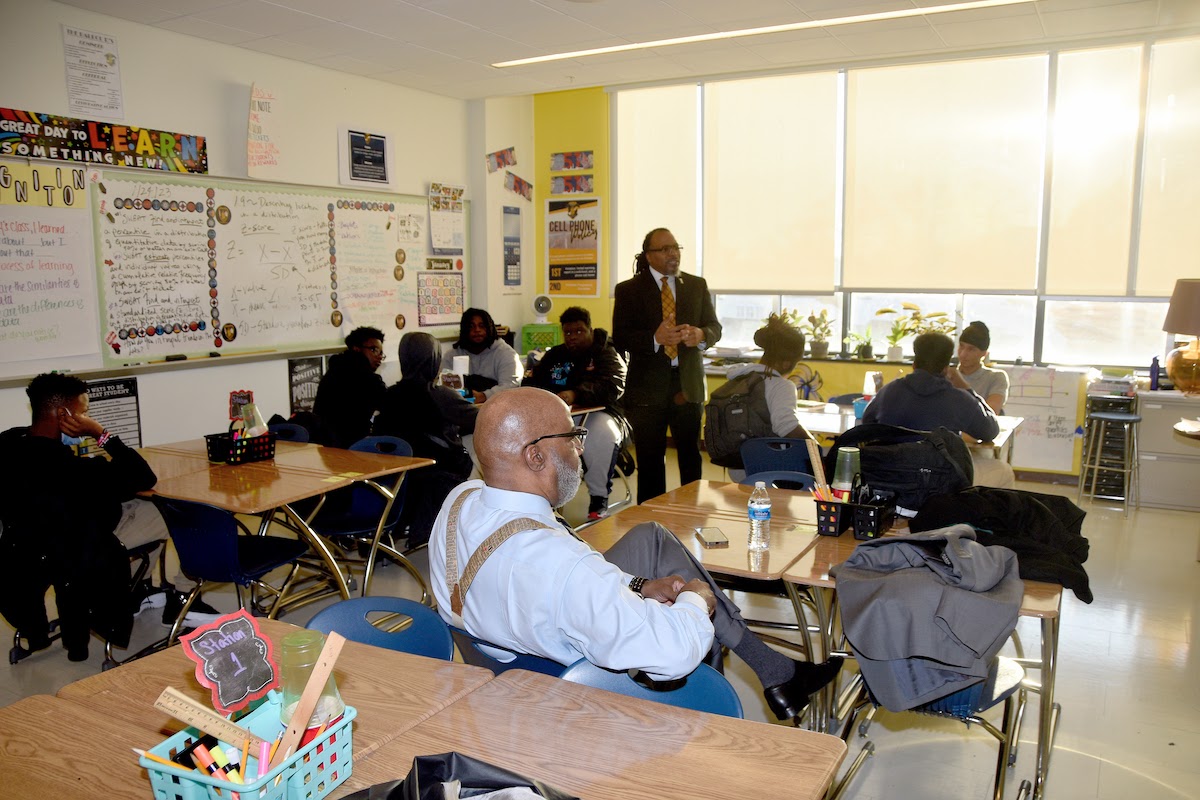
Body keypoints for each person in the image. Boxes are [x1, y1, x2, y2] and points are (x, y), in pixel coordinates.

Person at [429, 387, 842, 720]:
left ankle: (771, 669)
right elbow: (673, 653)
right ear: (535, 455)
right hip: (567, 692)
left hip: (503, 645)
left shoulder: (460, 499)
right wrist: (696, 601)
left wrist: (639, 585)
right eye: (573, 438)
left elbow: (571, 576)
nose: (580, 450)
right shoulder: (563, 567)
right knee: (692, 618)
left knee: (650, 536)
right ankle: (726, 700)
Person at [0, 374, 216, 662]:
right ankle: (182, 596)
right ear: (65, 415)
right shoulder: (73, 470)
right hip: (79, 549)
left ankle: (139, 591)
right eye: (83, 412)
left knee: (142, 507)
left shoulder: (9, 444)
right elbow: (143, 476)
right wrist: (100, 434)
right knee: (177, 513)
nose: (86, 416)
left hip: (28, 547)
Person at [613, 228, 721, 504]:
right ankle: (651, 521)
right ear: (649, 255)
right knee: (650, 460)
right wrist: (654, 338)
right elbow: (621, 337)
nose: (673, 253)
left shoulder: (696, 285)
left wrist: (701, 335)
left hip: (687, 385)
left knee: (690, 456)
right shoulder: (629, 290)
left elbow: (714, 327)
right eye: (665, 249)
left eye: (676, 247)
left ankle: (692, 514)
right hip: (648, 389)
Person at [863, 333, 1014, 488]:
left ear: (914, 363)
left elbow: (866, 426)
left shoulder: (888, 391)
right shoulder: (960, 399)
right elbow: (990, 431)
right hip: (939, 482)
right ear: (946, 368)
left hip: (891, 477)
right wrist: (968, 389)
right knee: (1004, 471)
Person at [523, 306, 628, 520]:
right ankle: (542, 497)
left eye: (579, 331)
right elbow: (533, 381)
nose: (573, 337)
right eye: (568, 332)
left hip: (603, 413)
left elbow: (613, 385)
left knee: (600, 436)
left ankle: (599, 498)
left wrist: (576, 393)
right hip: (560, 415)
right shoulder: (555, 355)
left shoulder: (607, 353)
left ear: (590, 329)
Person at [373, 332, 477, 545]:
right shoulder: (442, 396)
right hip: (440, 476)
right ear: (434, 360)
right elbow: (479, 419)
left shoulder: (388, 395)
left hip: (397, 480)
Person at [312, 326, 387, 448]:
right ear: (356, 349)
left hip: (326, 451)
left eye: (381, 352)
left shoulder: (333, 371)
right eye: (374, 350)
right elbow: (389, 404)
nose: (379, 356)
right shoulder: (366, 378)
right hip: (353, 448)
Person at [440, 308, 522, 404]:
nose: (477, 330)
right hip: (460, 409)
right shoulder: (452, 356)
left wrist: (484, 396)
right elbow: (443, 387)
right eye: (471, 326)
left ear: (489, 328)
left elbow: (511, 386)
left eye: (482, 326)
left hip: (496, 407)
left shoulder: (506, 354)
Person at [952, 321, 1009, 414]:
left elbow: (991, 413)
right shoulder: (947, 376)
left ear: (984, 354)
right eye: (961, 346)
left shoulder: (995, 377)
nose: (963, 354)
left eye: (971, 349)